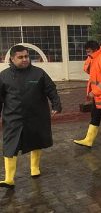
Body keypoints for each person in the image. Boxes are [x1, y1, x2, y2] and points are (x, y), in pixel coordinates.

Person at [0, 45, 62, 189]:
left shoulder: (38, 73)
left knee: (36, 141)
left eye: (26, 56)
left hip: (36, 115)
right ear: (12, 59)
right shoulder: (4, 76)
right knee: (10, 145)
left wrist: (56, 105)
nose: (25, 59)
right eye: (20, 57)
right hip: (13, 117)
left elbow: (51, 89)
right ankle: (9, 179)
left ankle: (34, 168)